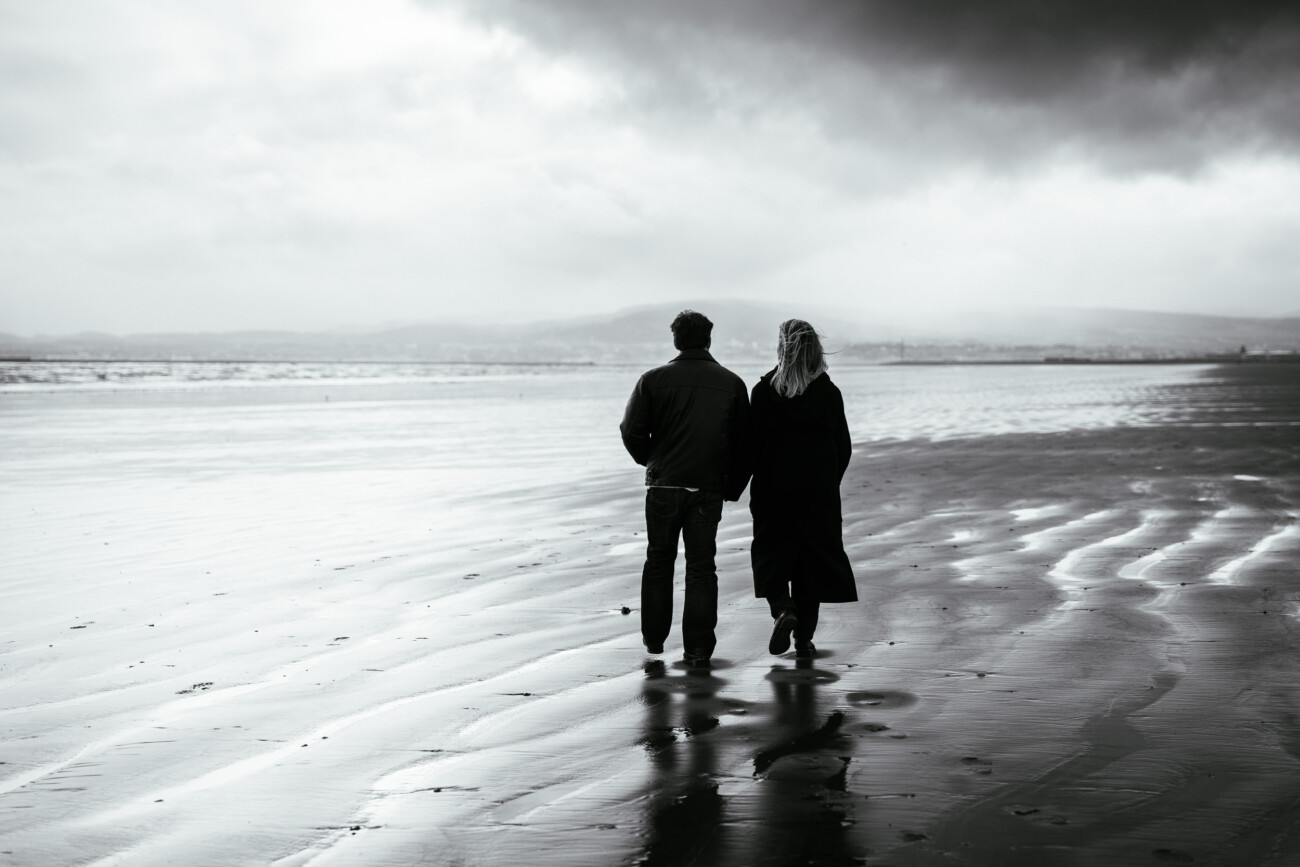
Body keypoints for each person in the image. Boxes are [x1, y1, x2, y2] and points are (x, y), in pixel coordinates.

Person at [620, 310, 750, 668]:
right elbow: (745, 445)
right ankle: (697, 649)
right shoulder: (732, 383)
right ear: (708, 340)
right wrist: (732, 486)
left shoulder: (652, 380)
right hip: (708, 487)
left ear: (676, 340)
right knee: (701, 567)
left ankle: (656, 641)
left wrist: (653, 462)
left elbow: (630, 431)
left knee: (659, 561)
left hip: (664, 485)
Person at [749, 319, 857, 659]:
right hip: (818, 494)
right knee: (811, 565)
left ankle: (783, 608)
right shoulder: (828, 393)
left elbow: (751, 447)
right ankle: (804, 641)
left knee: (770, 555)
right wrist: (827, 481)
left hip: (773, 491)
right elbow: (844, 447)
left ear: (783, 348)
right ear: (815, 350)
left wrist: (733, 482)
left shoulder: (764, 391)